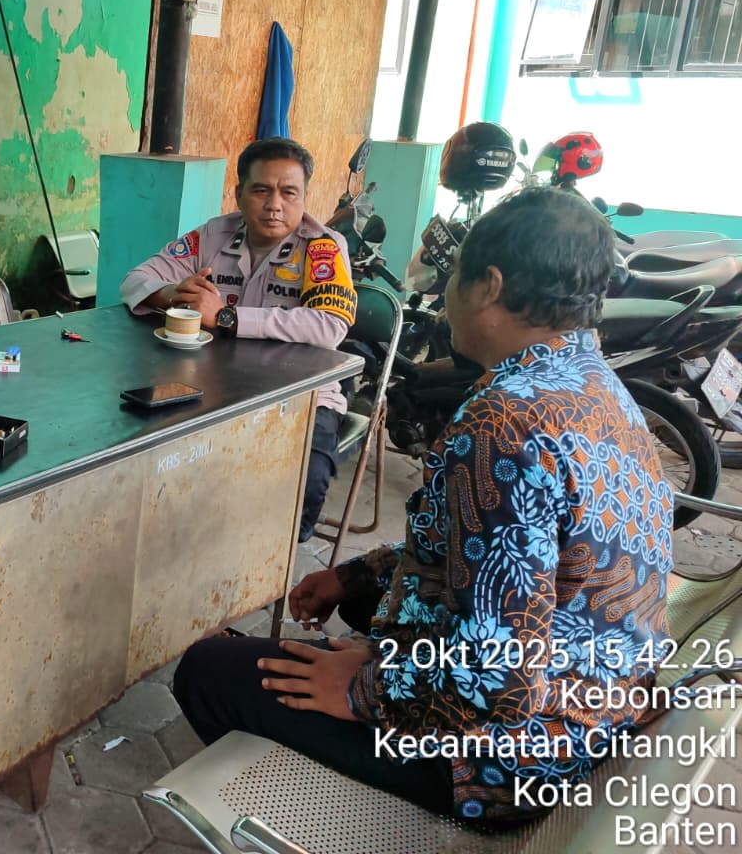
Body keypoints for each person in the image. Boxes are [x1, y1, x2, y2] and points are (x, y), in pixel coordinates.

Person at [172, 187, 675, 825]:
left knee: (209, 671)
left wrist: (367, 689)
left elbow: (499, 678)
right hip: (601, 698)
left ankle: (332, 814)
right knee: (359, 608)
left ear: (490, 286)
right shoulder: (593, 382)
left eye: (455, 274)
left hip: (513, 759)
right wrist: (356, 576)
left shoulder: (503, 424)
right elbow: (486, 553)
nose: (444, 291)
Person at [120, 138, 356, 540]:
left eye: (289, 193)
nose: (274, 205)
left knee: (308, 478)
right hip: (213, 386)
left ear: (304, 198)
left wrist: (227, 317)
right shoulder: (214, 235)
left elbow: (329, 325)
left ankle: (277, 555)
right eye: (261, 190)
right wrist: (174, 293)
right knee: (145, 445)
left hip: (300, 394)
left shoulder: (323, 248)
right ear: (239, 193)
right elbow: (133, 280)